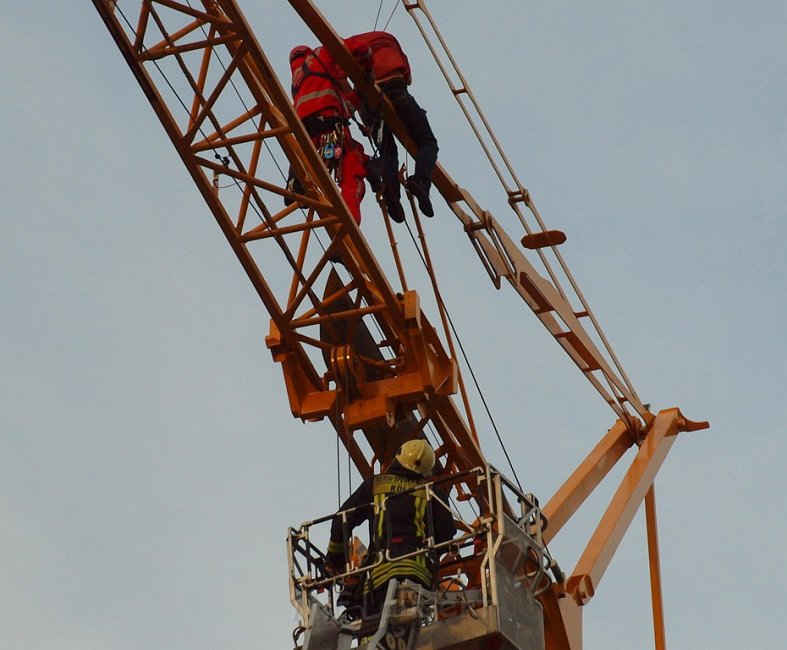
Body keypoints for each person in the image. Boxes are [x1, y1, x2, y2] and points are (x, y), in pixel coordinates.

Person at [325, 439, 456, 616]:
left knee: (370, 624)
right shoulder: (432, 491)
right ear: (427, 471)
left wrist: (335, 560)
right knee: (409, 624)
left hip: (379, 575)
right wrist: (427, 551)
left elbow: (341, 521)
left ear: (398, 457)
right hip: (418, 574)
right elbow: (447, 533)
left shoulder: (375, 485)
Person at [345, 31, 439, 221]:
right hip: (396, 88)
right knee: (428, 143)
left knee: (387, 152)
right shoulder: (390, 40)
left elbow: (346, 80)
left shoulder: (352, 49)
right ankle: (420, 182)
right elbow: (408, 78)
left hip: (370, 99)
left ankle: (391, 192)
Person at [288, 44, 371, 225]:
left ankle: (294, 183)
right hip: (330, 127)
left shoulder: (297, 83)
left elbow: (335, 101)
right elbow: (349, 45)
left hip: (308, 131)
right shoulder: (319, 56)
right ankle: (346, 229)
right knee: (351, 174)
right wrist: (367, 65)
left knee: (303, 154)